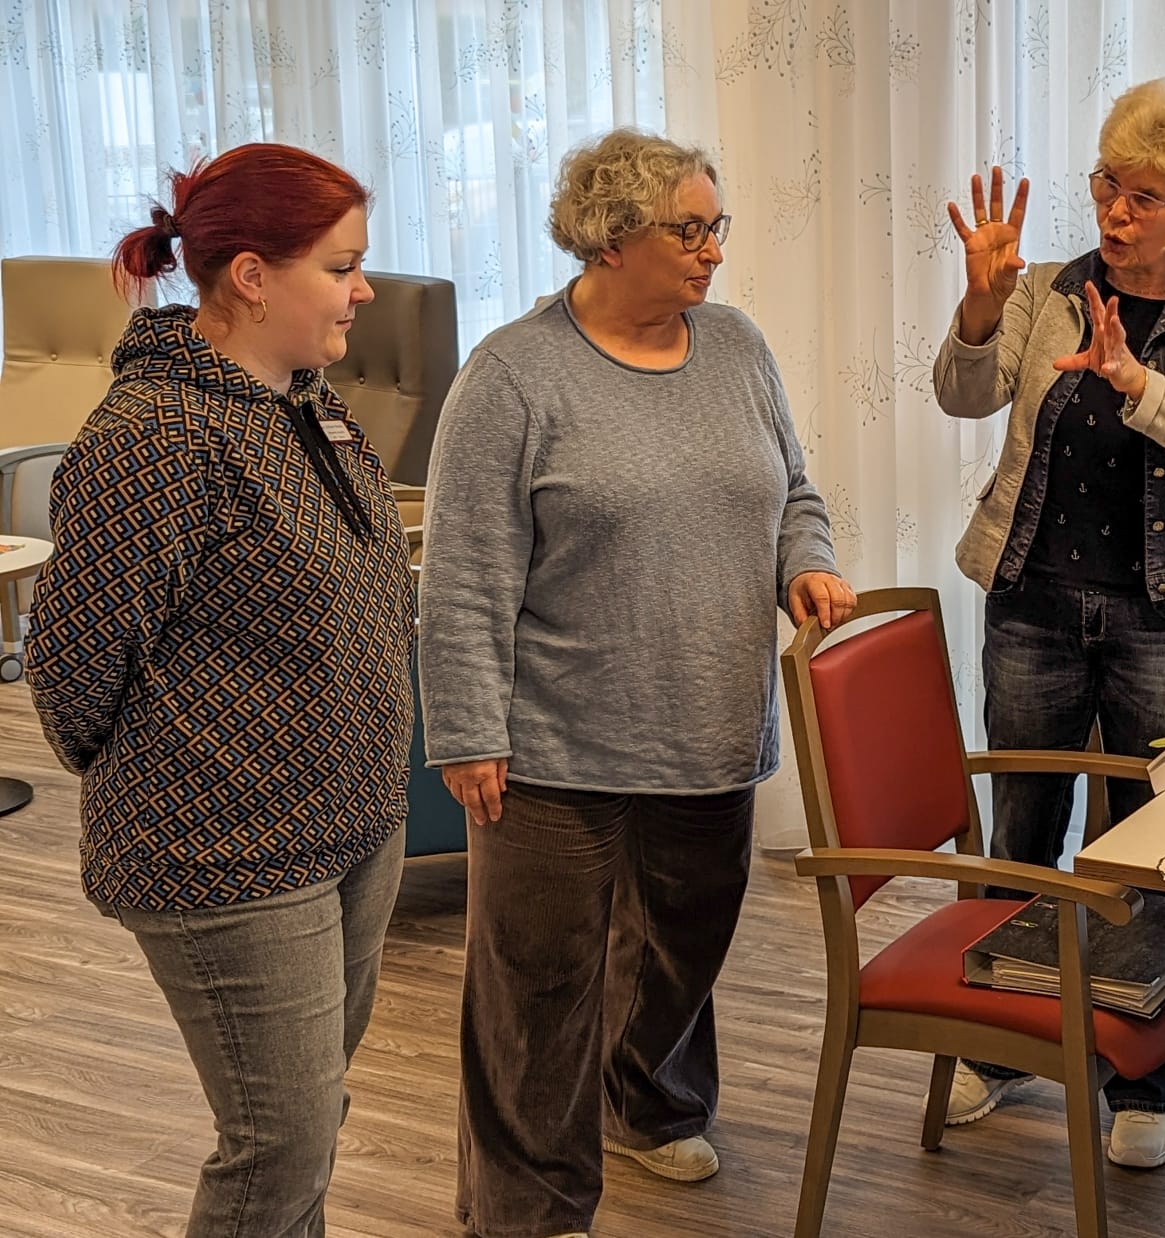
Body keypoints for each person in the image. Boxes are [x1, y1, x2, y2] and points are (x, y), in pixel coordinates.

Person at [416, 127, 854, 1238]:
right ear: (612, 239)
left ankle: (645, 1095)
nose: (713, 251)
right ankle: (527, 1209)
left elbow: (792, 488)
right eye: (689, 229)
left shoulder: (735, 347)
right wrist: (467, 727)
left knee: (683, 943)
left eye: (718, 227)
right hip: (554, 748)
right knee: (535, 994)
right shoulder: (514, 377)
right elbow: (464, 572)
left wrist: (805, 561)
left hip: (709, 727)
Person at [26, 144, 414, 1236]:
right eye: (342, 267)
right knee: (275, 1145)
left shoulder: (303, 403)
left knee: (307, 1123)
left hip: (348, 825)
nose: (364, 289)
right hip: (224, 854)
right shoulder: (153, 434)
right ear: (252, 276)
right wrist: (197, 758)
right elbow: (70, 676)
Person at [931, 78, 1165, 1167]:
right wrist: (981, 305)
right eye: (1106, 186)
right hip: (1030, 602)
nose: (1115, 212)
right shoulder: (1045, 287)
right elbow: (960, 394)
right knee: (1022, 831)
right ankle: (992, 1050)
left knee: (1146, 844)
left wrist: (1136, 380)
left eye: (1143, 196)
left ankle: (1141, 1077)